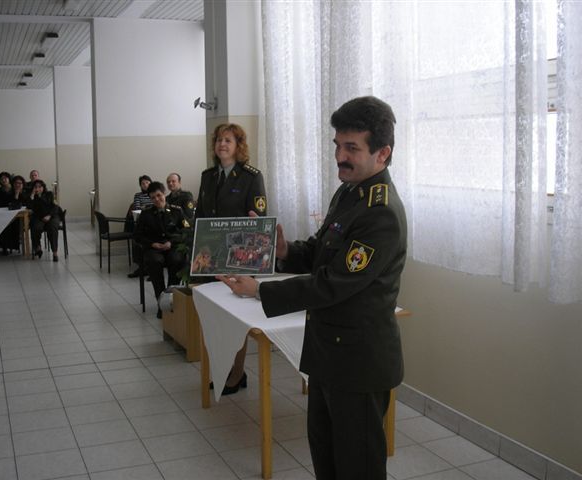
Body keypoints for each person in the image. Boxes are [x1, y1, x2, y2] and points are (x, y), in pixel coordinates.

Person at [217, 96, 407, 479]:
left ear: (383, 153)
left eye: (351, 148)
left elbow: (334, 283)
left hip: (358, 363)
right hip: (327, 354)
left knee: (357, 467)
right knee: (326, 456)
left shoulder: (380, 212)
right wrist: (285, 251)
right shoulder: (349, 192)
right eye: (337, 145)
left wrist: (260, 290)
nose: (340, 156)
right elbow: (323, 251)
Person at [195, 123, 267, 395]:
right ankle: (223, 369)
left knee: (235, 320)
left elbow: (259, 220)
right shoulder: (208, 177)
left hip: (239, 259)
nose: (222, 144)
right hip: (211, 259)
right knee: (215, 318)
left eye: (228, 140)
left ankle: (236, 374)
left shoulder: (250, 177)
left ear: (238, 146)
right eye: (218, 140)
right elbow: (200, 218)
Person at [133, 182, 190, 318]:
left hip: (173, 246)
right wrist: (152, 244)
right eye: (153, 197)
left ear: (164, 194)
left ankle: (171, 298)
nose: (157, 199)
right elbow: (137, 235)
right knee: (154, 262)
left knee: (177, 260)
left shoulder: (177, 211)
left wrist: (172, 242)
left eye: (159, 195)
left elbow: (187, 230)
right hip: (154, 248)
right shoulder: (146, 214)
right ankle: (161, 303)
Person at [29, 179, 61, 262]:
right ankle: (38, 247)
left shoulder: (49, 194)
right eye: (35, 187)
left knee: (52, 228)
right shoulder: (33, 197)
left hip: (52, 216)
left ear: (43, 187)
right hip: (39, 217)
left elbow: (55, 207)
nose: (38, 189)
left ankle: (55, 252)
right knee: (35, 227)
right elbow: (29, 207)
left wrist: (49, 215)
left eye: (40, 187)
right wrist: (32, 196)